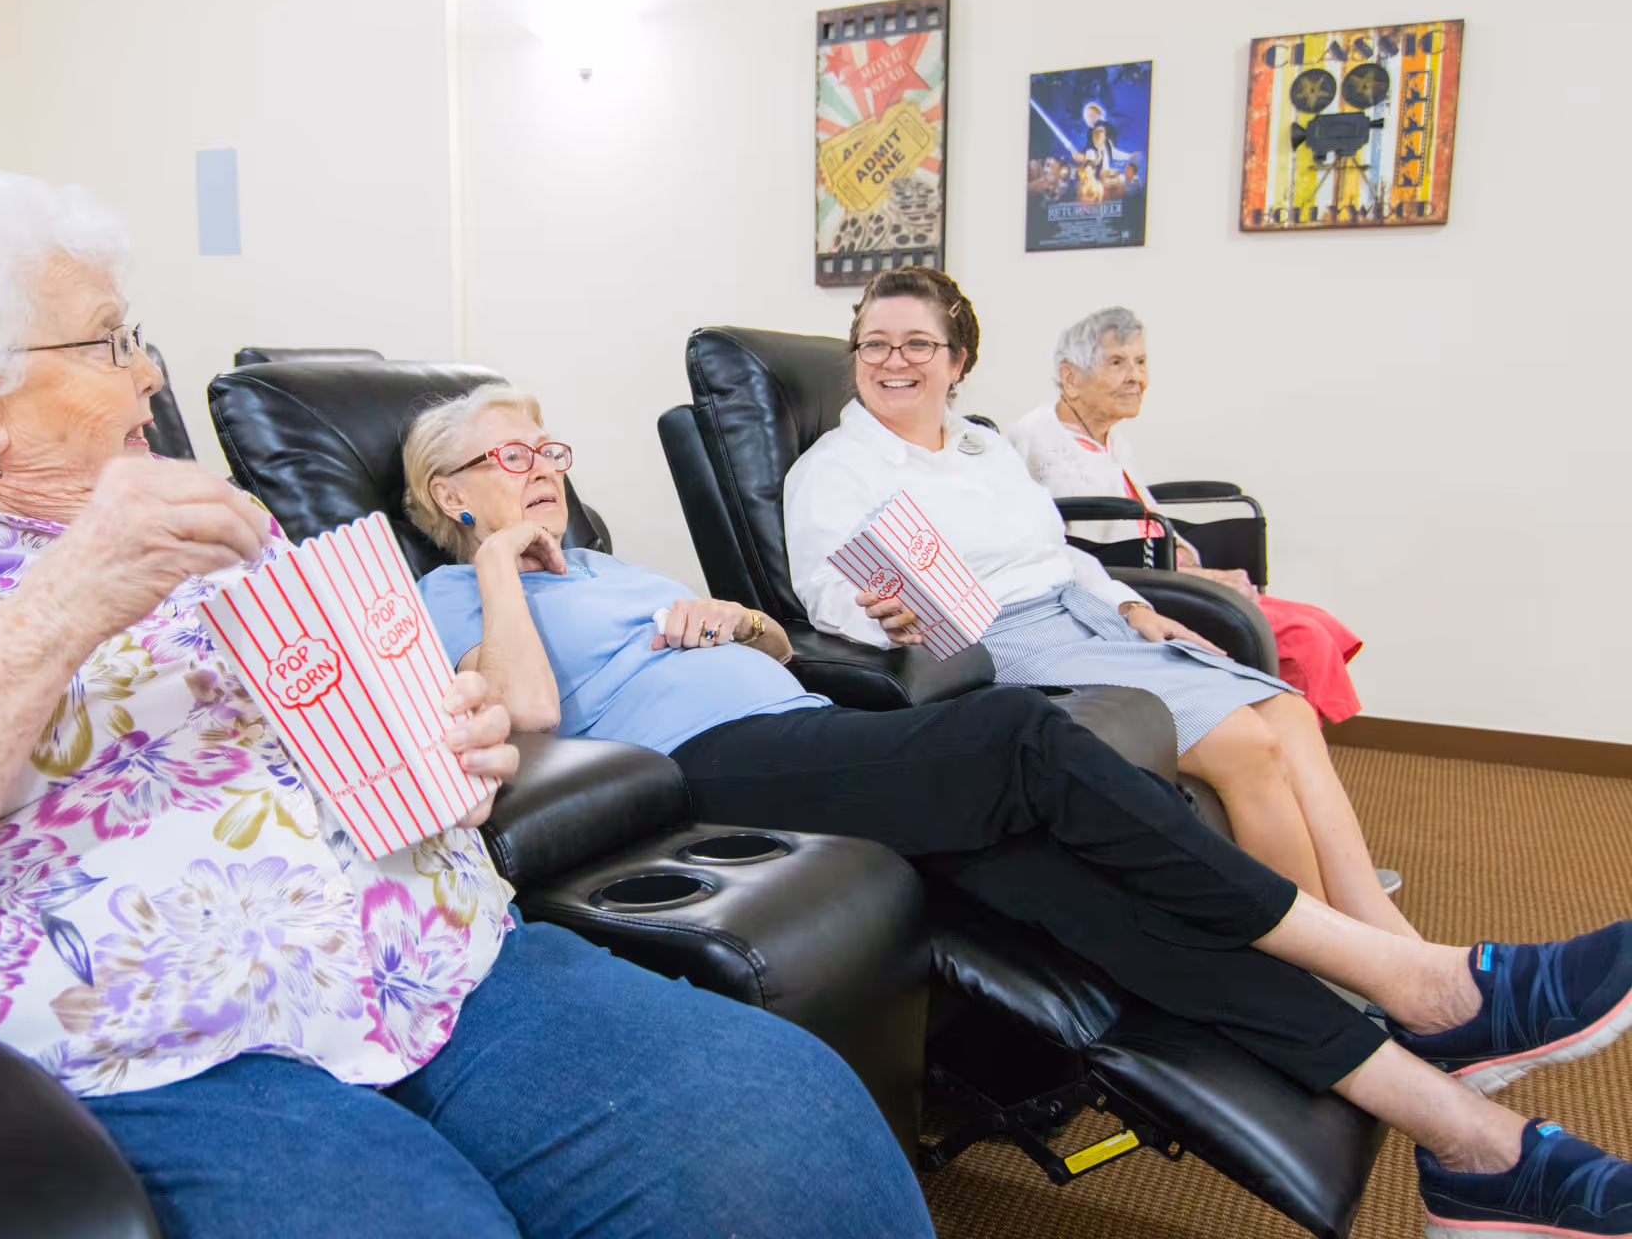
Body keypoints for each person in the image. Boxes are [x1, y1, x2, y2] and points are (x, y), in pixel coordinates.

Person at [0, 175, 931, 1239]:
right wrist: (61, 603)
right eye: (103, 343)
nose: (148, 371)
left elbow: (385, 722)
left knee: (788, 1132)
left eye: (134, 334)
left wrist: (451, 734)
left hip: (456, 962)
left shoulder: (220, 530)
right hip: (165, 1053)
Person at [402, 381, 1632, 1238]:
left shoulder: (620, 565)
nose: (542, 471)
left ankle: (1473, 1146)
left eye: (548, 449)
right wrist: (500, 560)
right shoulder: (452, 593)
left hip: (804, 728)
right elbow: (525, 712)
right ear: (447, 491)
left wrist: (737, 617)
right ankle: (1421, 984)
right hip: (709, 772)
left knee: (1081, 890)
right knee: (1021, 732)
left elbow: (773, 638)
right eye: (509, 459)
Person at [784, 266, 1407, 937]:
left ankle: (1383, 935)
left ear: (956, 359)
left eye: (917, 344)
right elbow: (828, 591)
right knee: (1244, 742)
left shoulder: (982, 447)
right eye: (874, 344)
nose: (893, 361)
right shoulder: (835, 467)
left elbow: (1057, 551)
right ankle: (1340, 976)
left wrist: (1131, 608)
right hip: (993, 644)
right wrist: (884, 617)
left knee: (1287, 710)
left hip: (1081, 618)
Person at [1006, 305, 1365, 726]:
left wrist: (1190, 556)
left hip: (1166, 568)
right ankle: (1283, 743)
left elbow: (1141, 516)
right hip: (1130, 589)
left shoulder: (1109, 438)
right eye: (1117, 363)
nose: (1136, 377)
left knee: (1322, 622)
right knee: (1306, 637)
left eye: (1140, 362)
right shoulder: (1039, 440)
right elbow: (1092, 549)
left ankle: (1286, 739)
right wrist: (1202, 578)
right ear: (1070, 376)